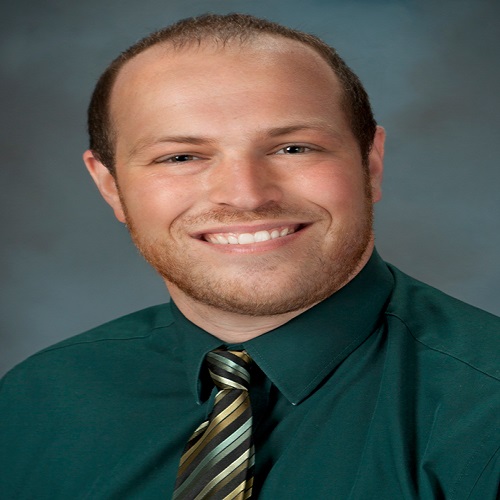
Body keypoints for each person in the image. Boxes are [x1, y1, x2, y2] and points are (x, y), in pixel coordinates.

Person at [0, 13, 498, 500]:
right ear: (110, 185)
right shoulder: (37, 401)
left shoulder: (484, 412)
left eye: (293, 148)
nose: (246, 196)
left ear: (371, 163)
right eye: (181, 157)